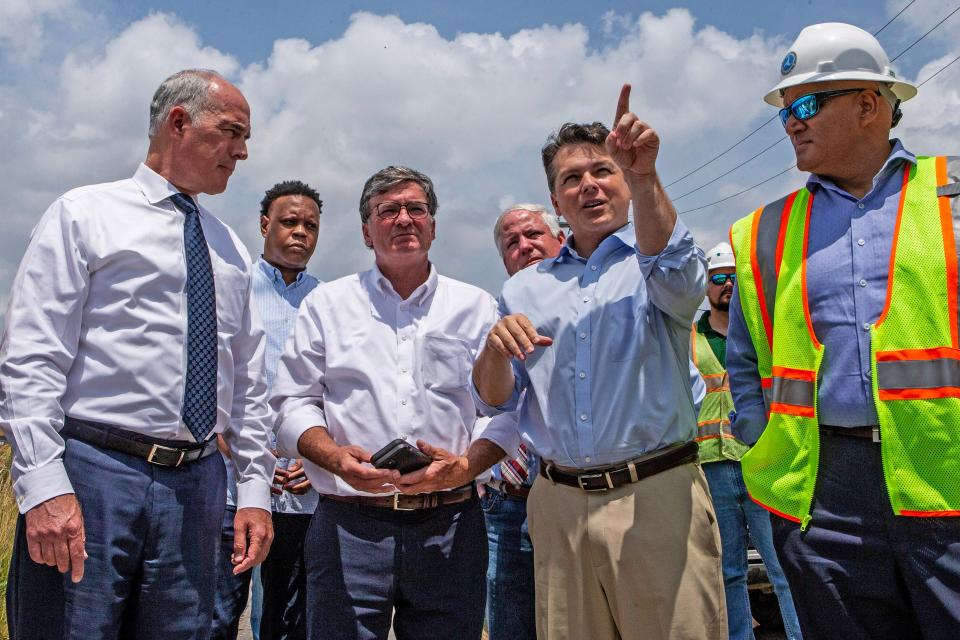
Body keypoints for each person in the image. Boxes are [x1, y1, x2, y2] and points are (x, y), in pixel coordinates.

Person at [0, 69, 275, 639]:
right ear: (179, 122)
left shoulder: (229, 248)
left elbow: (246, 380)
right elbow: (31, 355)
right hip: (93, 472)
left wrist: (252, 490)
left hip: (197, 485)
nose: (241, 151)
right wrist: (43, 484)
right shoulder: (84, 214)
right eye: (231, 132)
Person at [727, 22, 960, 639]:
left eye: (806, 104)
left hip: (949, 481)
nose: (791, 123)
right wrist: (759, 437)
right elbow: (746, 362)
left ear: (868, 105)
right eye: (785, 111)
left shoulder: (952, 197)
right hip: (823, 503)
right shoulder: (763, 233)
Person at [472, 85, 724, 640]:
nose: (588, 185)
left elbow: (683, 279)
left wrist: (645, 174)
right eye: (570, 178)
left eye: (603, 171)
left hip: (656, 497)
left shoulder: (653, 265)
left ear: (626, 183)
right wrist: (493, 349)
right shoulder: (524, 290)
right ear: (556, 202)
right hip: (559, 507)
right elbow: (495, 399)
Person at [270, 166, 515, 640]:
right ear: (366, 230)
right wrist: (335, 458)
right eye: (388, 211)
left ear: (433, 225)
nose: (404, 219)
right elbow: (291, 404)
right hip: (348, 524)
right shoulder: (328, 305)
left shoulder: (476, 307)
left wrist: (466, 467)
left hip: (451, 525)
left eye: (416, 209)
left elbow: (502, 414)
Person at [212, 180, 323, 640]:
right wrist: (238, 454)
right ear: (265, 224)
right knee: (216, 611)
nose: (300, 232)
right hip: (230, 484)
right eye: (289, 221)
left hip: (302, 486)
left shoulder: (330, 301)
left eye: (310, 225)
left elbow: (338, 389)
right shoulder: (232, 285)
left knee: (290, 617)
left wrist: (315, 457)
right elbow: (212, 376)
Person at [693, 242, 802, 640]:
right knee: (728, 571)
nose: (727, 286)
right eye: (718, 279)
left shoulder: (762, 330)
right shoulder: (691, 338)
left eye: (734, 279)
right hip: (712, 468)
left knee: (783, 565)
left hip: (761, 460)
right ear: (705, 286)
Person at [483, 204, 565, 640]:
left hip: (570, 493)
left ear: (562, 241)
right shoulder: (496, 313)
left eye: (534, 235)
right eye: (511, 244)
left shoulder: (592, 305)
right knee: (512, 626)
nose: (524, 247)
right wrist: (495, 349)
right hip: (507, 502)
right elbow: (493, 403)